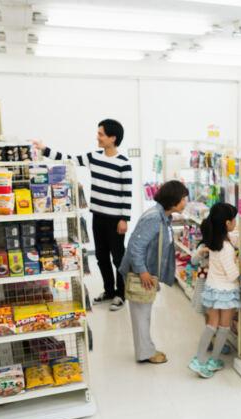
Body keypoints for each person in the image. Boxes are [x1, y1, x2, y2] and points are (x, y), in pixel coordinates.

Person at [35, 119, 132, 311]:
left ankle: (121, 294)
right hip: (98, 216)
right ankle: (109, 291)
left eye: (101, 134)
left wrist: (124, 219)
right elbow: (68, 159)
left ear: (112, 138)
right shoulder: (94, 157)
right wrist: (44, 149)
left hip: (116, 220)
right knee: (102, 257)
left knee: (118, 258)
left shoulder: (124, 163)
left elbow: (127, 193)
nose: (98, 137)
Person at [119, 181, 189, 364]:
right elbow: (135, 247)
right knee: (141, 314)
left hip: (146, 270)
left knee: (144, 312)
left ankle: (146, 348)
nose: (185, 202)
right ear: (173, 200)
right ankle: (145, 353)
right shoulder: (154, 218)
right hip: (138, 272)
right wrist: (142, 272)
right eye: (183, 199)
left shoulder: (163, 216)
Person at [189, 203, 240, 379]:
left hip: (212, 288)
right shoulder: (226, 248)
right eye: (234, 219)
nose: (235, 222)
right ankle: (214, 360)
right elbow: (233, 275)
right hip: (226, 291)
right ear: (227, 223)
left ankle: (199, 359)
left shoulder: (213, 242)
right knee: (223, 328)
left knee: (211, 325)